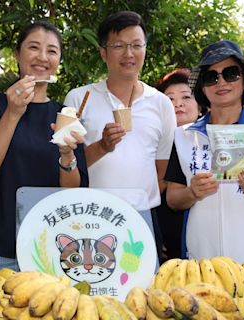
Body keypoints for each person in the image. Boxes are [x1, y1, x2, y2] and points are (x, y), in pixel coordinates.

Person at [0, 20, 88, 295]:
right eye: (34, 47)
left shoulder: (65, 115)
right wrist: (13, 112)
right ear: (18, 54)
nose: (43, 57)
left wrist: (67, 154)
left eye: (52, 51)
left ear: (59, 60)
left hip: (50, 248)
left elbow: (72, 191)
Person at [63, 11, 176, 261]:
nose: (129, 54)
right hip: (91, 219)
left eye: (136, 45)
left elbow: (162, 171)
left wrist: (135, 205)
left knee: (144, 296)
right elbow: (68, 164)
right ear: (103, 53)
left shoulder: (161, 103)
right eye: (119, 46)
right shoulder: (79, 99)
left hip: (143, 219)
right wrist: (102, 146)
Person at [165, 40, 244, 263]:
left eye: (231, 73)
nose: (221, 81)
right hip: (200, 264)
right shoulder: (183, 136)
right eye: (211, 76)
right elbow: (173, 199)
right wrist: (192, 193)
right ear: (202, 87)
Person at [155, 69, 202, 260]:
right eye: (170, 99)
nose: (178, 104)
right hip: (164, 247)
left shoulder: (211, 142)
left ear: (201, 106)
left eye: (186, 97)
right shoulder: (152, 146)